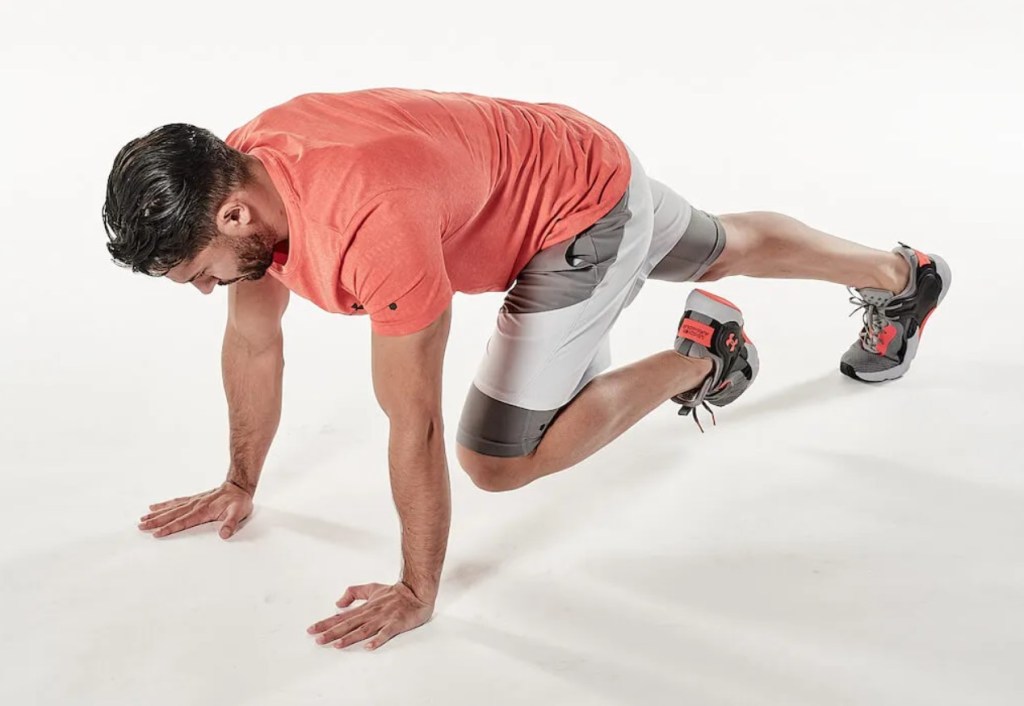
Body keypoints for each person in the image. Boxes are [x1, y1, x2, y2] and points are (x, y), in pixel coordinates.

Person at [102, 88, 951, 651]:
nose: (206, 287)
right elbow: (255, 343)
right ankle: (902, 276)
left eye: (199, 271)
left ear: (233, 211)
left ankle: (703, 357)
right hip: (580, 150)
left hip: (576, 217)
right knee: (719, 247)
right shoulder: (246, 164)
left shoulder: (372, 227)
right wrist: (238, 480)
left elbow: (417, 422)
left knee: (497, 458)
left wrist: (415, 587)